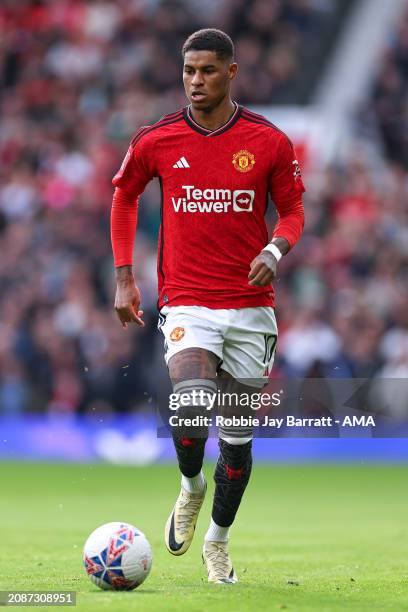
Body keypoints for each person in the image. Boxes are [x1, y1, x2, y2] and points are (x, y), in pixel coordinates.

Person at [111, 28, 305, 584]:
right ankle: (191, 485)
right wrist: (124, 276)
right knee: (192, 403)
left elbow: (292, 211)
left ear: (232, 72)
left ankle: (218, 542)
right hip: (188, 302)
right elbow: (124, 194)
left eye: (208, 71)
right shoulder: (159, 139)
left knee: (238, 445)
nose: (196, 81)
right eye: (189, 70)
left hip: (250, 309)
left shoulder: (268, 141)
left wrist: (276, 247)